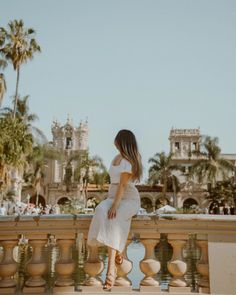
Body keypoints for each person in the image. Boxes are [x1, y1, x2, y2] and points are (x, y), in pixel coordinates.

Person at [87, 129, 143, 291]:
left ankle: (110, 269)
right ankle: (118, 248)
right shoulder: (115, 158)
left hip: (128, 198)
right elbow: (113, 184)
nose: (114, 142)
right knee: (99, 210)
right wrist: (111, 203)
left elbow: (123, 185)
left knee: (114, 218)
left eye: (117, 140)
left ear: (123, 142)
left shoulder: (128, 160)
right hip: (113, 196)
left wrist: (114, 206)